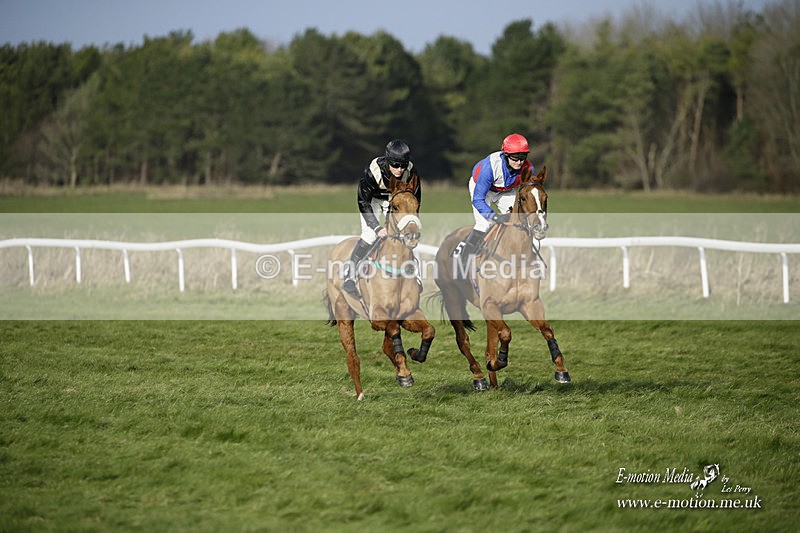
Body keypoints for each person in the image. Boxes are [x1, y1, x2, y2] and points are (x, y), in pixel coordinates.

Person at [342, 139, 422, 295]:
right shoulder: (373, 171)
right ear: (388, 161)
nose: (400, 169)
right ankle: (350, 275)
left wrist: (412, 220)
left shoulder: (411, 171)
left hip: (396, 202)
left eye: (403, 165)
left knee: (406, 236)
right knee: (370, 235)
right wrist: (377, 227)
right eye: (396, 165)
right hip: (372, 202)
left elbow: (415, 200)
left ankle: (416, 275)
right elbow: (363, 201)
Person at [453, 133, 533, 271]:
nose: (519, 162)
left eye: (522, 157)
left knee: (519, 220)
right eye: (515, 158)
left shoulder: (528, 168)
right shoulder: (490, 168)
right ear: (506, 155)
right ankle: (463, 261)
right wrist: (493, 216)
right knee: (485, 224)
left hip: (506, 190)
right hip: (483, 190)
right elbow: (478, 199)